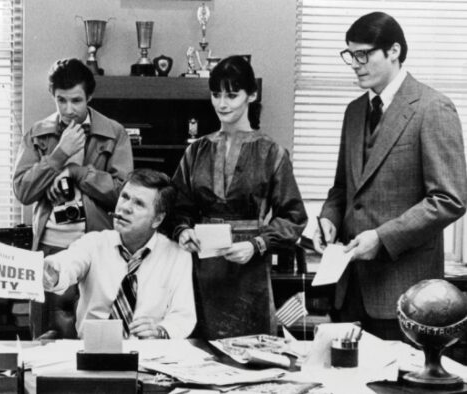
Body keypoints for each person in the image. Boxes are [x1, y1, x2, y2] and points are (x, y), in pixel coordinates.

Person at [313, 12, 467, 340]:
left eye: (363, 54)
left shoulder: (433, 107)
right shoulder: (354, 112)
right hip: (348, 291)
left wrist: (382, 238)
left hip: (405, 296)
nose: (355, 63)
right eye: (350, 55)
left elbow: (449, 199)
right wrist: (329, 218)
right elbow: (342, 189)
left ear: (393, 51)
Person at [171, 55, 308, 339]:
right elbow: (176, 205)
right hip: (201, 267)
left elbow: (294, 217)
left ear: (252, 95)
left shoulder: (272, 153)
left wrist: (257, 245)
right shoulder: (196, 151)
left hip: (249, 270)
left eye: (232, 95)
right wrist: (182, 230)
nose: (222, 104)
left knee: (251, 356)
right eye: (216, 94)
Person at [13, 58, 133, 338]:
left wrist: (75, 171)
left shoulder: (114, 134)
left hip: (97, 252)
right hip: (49, 250)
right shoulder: (37, 134)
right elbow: (22, 191)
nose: (69, 110)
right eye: (61, 100)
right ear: (52, 97)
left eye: (76, 100)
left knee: (98, 340)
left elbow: (122, 194)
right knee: (45, 340)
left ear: (90, 97)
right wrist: (57, 157)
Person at [43, 169, 195, 339]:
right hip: (92, 352)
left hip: (148, 354)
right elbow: (69, 263)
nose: (125, 207)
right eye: (124, 197)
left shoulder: (177, 255)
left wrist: (160, 331)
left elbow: (183, 316)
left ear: (157, 219)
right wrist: (54, 272)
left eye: (139, 203)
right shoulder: (94, 243)